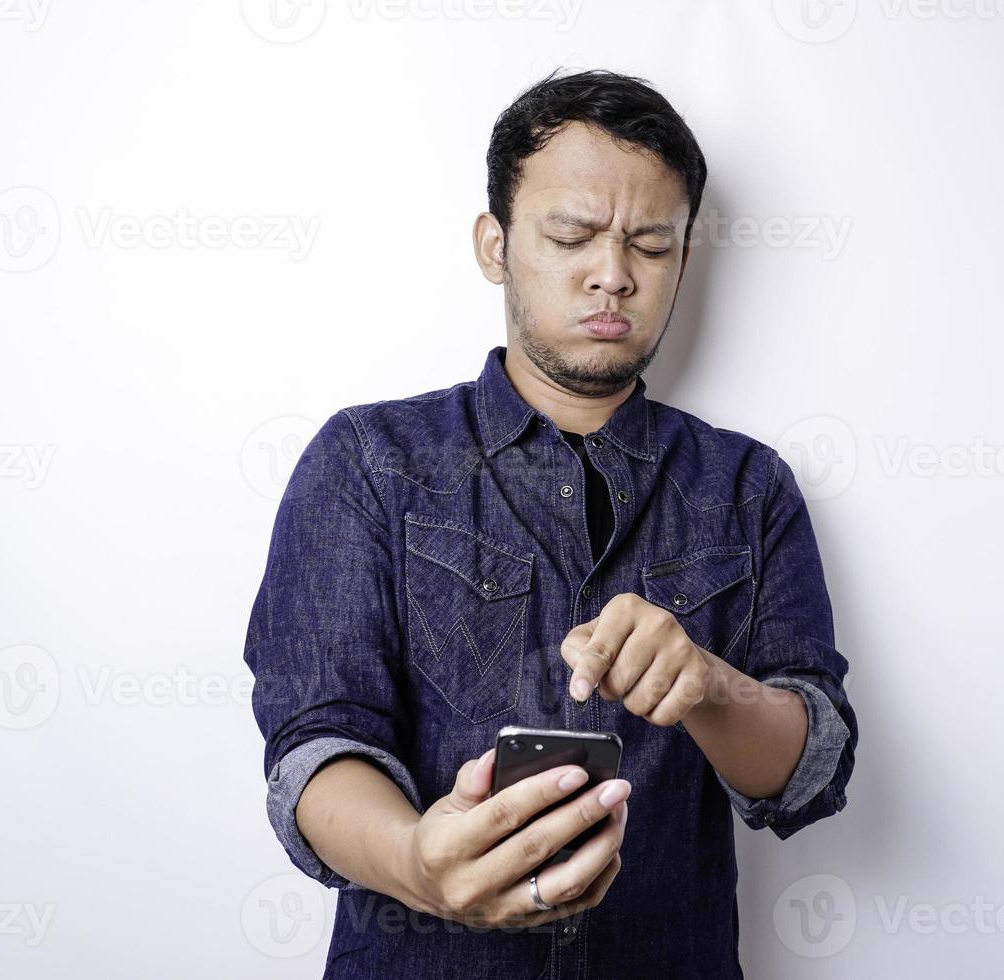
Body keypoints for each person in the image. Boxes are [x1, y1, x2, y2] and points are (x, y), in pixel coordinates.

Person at [243, 67, 858, 979]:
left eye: (652, 244)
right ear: (494, 244)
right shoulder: (369, 462)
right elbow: (316, 747)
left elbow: (814, 767)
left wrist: (706, 685)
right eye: (572, 235)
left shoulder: (749, 486)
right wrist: (419, 864)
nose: (613, 275)